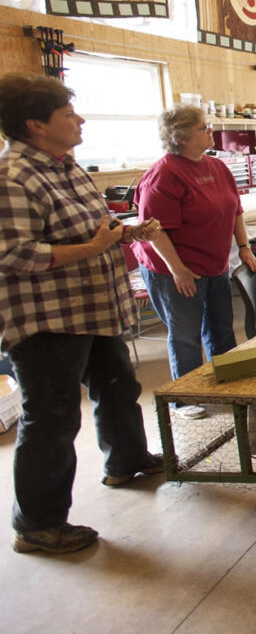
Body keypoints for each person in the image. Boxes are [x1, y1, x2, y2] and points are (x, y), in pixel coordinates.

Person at [0, 73, 163, 556]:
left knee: (117, 387)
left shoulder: (64, 166)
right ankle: (38, 525)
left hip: (92, 306)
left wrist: (125, 232)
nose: (80, 120)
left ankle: (127, 461)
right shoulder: (13, 177)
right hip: (49, 318)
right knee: (50, 418)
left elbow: (91, 227)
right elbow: (12, 254)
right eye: (68, 114)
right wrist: (94, 245)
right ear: (35, 124)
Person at [133, 105, 256, 419]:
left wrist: (243, 247)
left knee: (220, 329)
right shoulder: (163, 175)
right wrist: (178, 270)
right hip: (173, 268)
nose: (210, 131)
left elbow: (236, 210)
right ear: (181, 136)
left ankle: (225, 383)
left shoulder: (217, 167)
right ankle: (184, 398)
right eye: (203, 127)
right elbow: (155, 231)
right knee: (186, 334)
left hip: (214, 263)